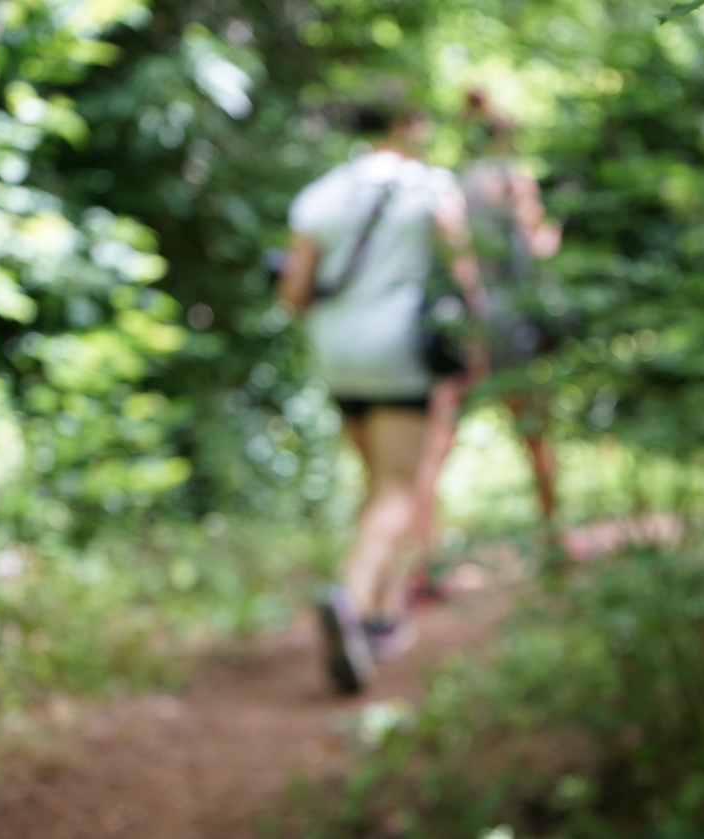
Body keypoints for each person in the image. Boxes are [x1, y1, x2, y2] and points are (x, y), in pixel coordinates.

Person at [278, 100, 486, 694]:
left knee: (376, 481)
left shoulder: (319, 196)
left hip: (336, 352)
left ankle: (380, 614)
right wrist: (478, 332)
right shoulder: (429, 188)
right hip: (399, 350)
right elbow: (463, 269)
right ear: (406, 126)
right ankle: (351, 595)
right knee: (400, 485)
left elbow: (293, 294)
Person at [413, 89, 563, 572]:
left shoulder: (452, 186)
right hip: (510, 324)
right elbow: (539, 246)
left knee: (436, 446)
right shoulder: (515, 182)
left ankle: (426, 562)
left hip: (461, 327)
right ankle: (553, 543)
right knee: (535, 436)